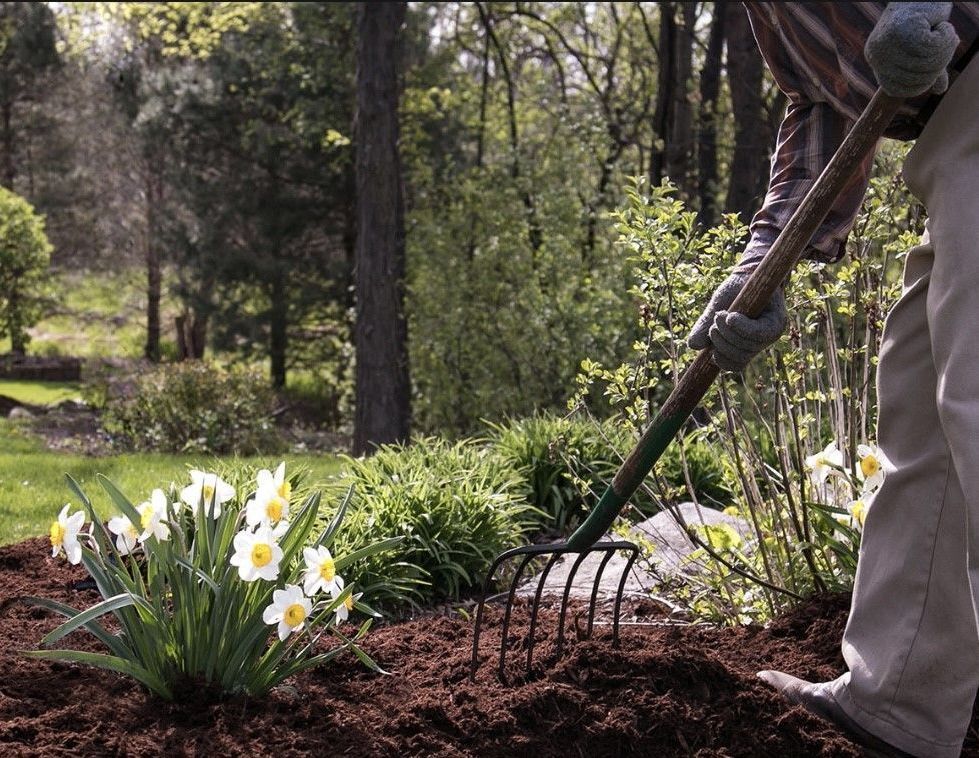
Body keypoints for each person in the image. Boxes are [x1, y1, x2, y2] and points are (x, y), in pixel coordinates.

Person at [688, 3, 979, 756]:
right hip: (953, 135)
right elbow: (821, 103)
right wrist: (762, 266)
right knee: (923, 409)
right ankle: (900, 706)